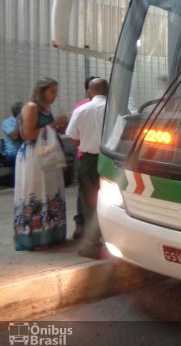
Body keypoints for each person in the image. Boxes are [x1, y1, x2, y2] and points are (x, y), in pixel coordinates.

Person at [13, 78, 68, 251]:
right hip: (33, 157)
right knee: (35, 194)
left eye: (56, 92)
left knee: (50, 192)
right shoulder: (31, 107)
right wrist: (54, 124)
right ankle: (34, 238)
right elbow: (28, 134)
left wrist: (60, 127)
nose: (55, 95)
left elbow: (45, 131)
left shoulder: (46, 108)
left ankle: (50, 233)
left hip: (47, 155)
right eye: (52, 91)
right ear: (41, 91)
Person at [65, 78, 108, 259]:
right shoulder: (118, 110)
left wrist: (87, 139)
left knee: (90, 201)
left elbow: (73, 140)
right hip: (112, 160)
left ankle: (93, 244)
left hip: (89, 160)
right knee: (114, 201)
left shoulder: (82, 110)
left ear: (90, 92)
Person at [69, 75, 97, 240]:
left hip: (85, 154)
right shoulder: (81, 107)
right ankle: (83, 224)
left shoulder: (80, 107)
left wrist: (86, 142)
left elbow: (73, 138)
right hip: (100, 155)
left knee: (85, 193)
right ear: (89, 91)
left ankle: (83, 226)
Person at [2, 102, 24, 166]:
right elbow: (15, 136)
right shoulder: (7, 122)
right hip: (12, 152)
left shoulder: (25, 121)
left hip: (23, 150)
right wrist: (19, 120)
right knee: (22, 158)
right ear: (20, 112)